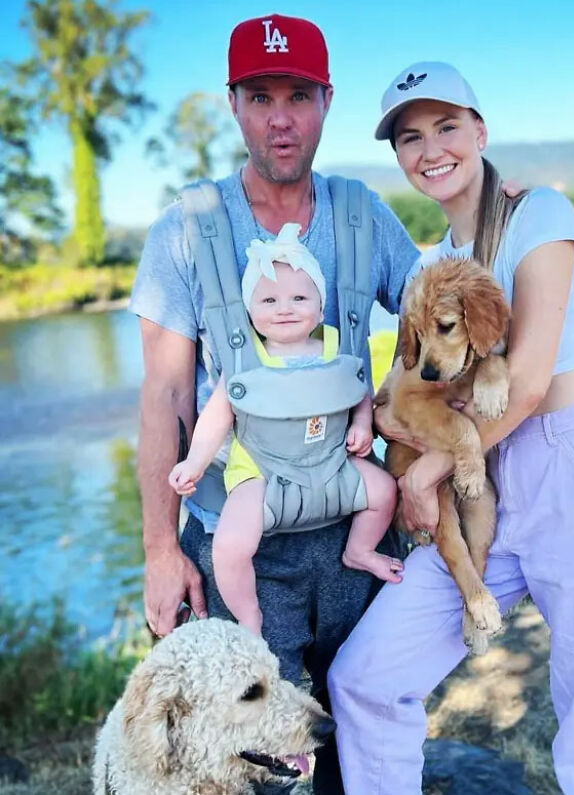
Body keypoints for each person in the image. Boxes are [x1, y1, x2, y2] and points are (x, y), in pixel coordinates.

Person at [328, 61, 574, 795]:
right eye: (410, 137)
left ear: (480, 131)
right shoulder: (433, 268)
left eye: (447, 126)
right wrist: (409, 445)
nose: (430, 149)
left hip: (569, 470)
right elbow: (397, 394)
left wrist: (424, 469)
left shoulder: (540, 213)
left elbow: (533, 375)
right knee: (364, 677)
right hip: (479, 487)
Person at [129, 13, 419, 794]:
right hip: (240, 543)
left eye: (298, 95)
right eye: (260, 97)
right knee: (259, 757)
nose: (280, 118)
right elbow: (161, 395)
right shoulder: (185, 229)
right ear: (234, 104)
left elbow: (432, 331)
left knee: (362, 731)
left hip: (356, 526)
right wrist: (162, 547)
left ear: (327, 100)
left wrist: (413, 454)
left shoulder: (363, 216)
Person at [168, 224, 402, 636]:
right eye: (270, 299)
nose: (285, 308)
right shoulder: (246, 360)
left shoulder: (335, 347)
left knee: (384, 490)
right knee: (229, 545)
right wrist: (194, 461)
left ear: (319, 302)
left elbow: (358, 389)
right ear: (250, 309)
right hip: (263, 473)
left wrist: (363, 423)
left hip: (331, 463)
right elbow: (217, 417)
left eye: (299, 297)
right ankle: (248, 615)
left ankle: (359, 550)